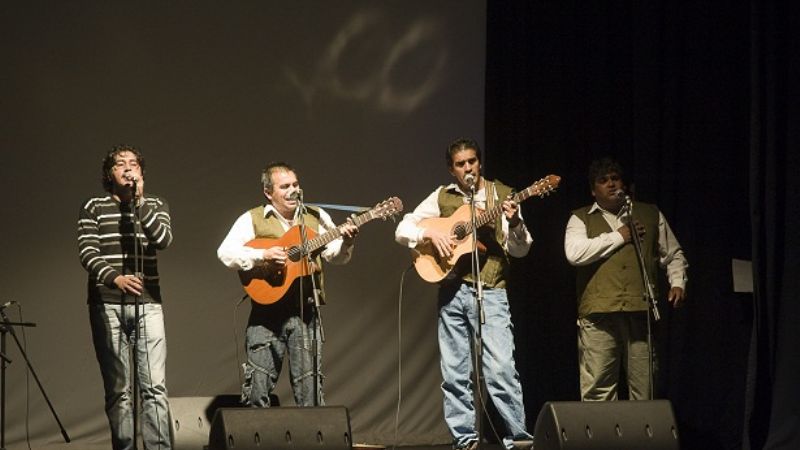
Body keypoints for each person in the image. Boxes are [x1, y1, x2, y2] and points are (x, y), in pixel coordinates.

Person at [395, 138, 533, 450]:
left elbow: (520, 250)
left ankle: (518, 438)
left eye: (472, 161)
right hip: (452, 290)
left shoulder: (503, 195)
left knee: (501, 369)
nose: (468, 168)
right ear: (451, 169)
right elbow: (402, 228)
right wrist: (430, 233)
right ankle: (465, 439)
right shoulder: (441, 196)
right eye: (461, 164)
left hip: (491, 291)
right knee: (455, 371)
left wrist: (514, 222)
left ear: (479, 163)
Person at [217, 162, 358, 407]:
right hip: (266, 314)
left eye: (295, 184)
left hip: (305, 312)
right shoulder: (253, 218)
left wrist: (346, 242)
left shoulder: (315, 216)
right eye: (284, 187)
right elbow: (225, 253)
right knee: (257, 389)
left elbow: (335, 256)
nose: (293, 190)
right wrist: (263, 255)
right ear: (268, 192)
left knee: (310, 392)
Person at [564, 157, 688, 401]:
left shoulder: (649, 213)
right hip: (598, 314)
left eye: (615, 178)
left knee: (645, 387)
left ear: (625, 184)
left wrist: (677, 283)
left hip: (640, 312)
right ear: (593, 190)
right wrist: (619, 236)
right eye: (603, 180)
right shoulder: (580, 217)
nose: (611, 184)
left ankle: (642, 429)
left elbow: (673, 253)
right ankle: (600, 429)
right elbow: (574, 253)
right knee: (598, 387)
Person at [78, 145, 174, 450]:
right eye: (120, 164)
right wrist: (115, 278)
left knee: (154, 388)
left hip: (148, 305)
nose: (128, 168)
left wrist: (140, 203)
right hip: (106, 304)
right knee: (119, 390)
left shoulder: (155, 204)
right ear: (110, 173)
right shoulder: (93, 206)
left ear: (141, 172)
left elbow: (163, 240)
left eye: (133, 164)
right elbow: (87, 252)